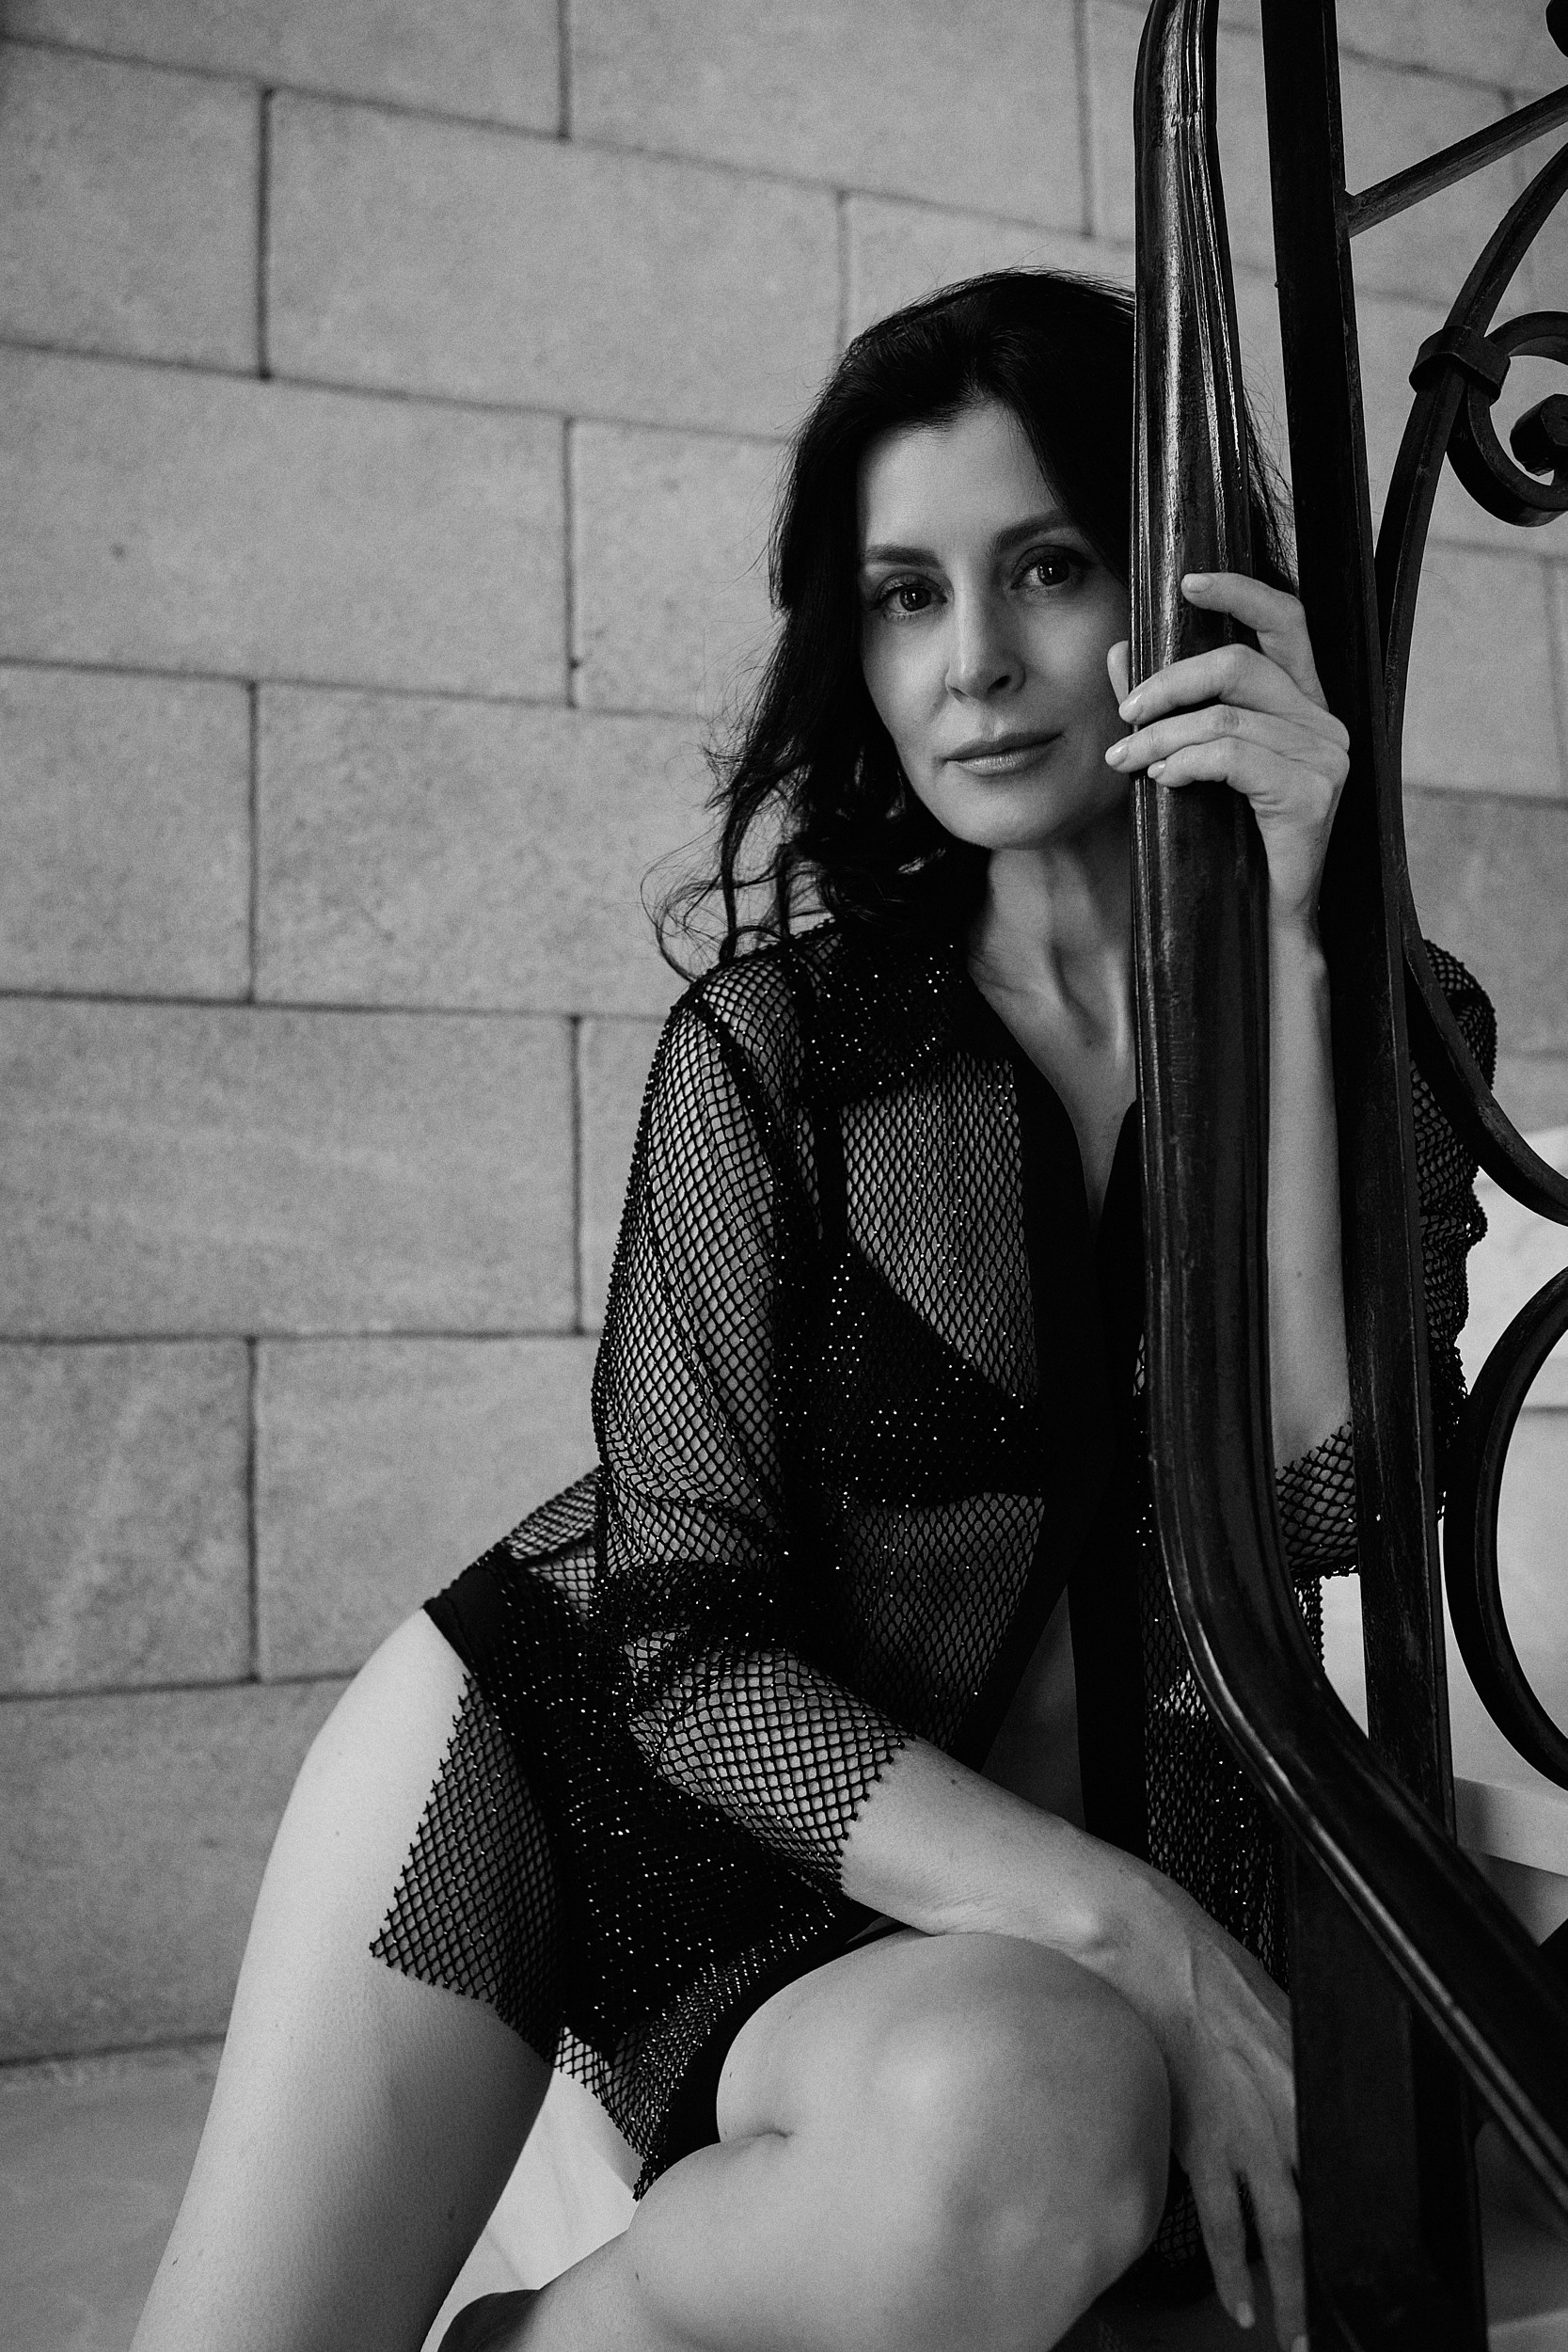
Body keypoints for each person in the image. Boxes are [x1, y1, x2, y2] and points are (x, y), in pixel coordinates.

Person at [131, 271, 1493, 2352]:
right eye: (903, 597)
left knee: (1033, 2115)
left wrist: (1302, 934)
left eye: (1050, 566)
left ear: (1187, 589)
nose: (976, 663)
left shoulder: (1379, 1023)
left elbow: (1325, 1500)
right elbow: (680, 1656)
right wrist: (1134, 1927)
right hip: (591, 1762)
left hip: (992, 1938)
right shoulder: (783, 1051)